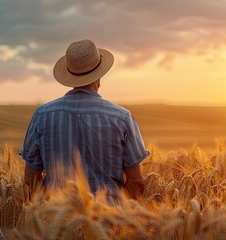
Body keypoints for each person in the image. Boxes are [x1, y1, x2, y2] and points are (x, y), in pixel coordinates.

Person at [20, 39, 149, 201]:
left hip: (56, 219)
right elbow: (136, 181)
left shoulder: (42, 114)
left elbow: (31, 178)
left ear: (69, 75)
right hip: (109, 220)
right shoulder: (121, 117)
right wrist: (120, 212)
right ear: (100, 75)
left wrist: (50, 208)